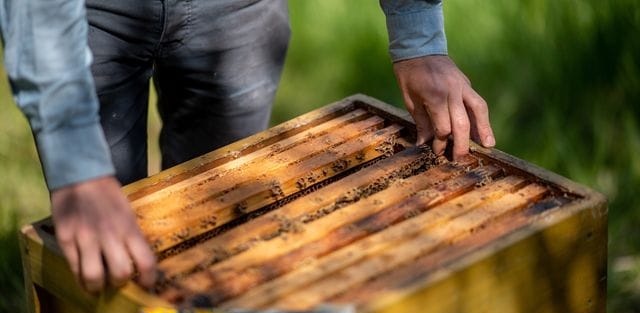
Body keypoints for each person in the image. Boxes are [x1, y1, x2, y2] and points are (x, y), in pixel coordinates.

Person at [0, 0, 495, 293]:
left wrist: (419, 40)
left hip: (240, 13)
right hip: (89, 15)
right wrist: (76, 161)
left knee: (225, 245)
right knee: (108, 262)